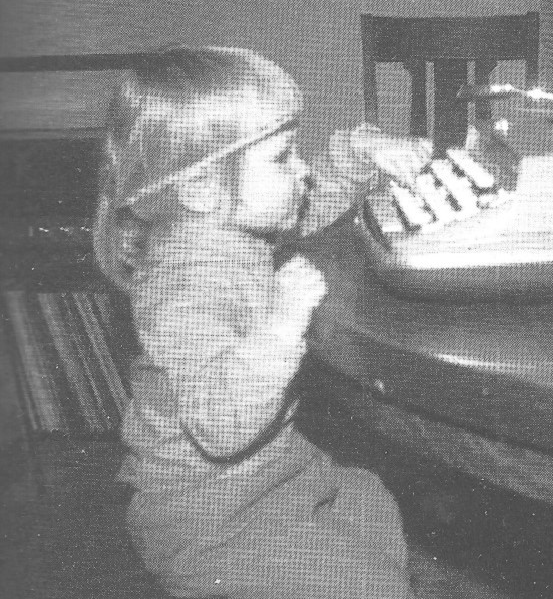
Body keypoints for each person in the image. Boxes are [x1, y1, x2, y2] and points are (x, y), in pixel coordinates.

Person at [92, 46, 432, 598]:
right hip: (208, 514)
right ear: (201, 187)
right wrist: (280, 324)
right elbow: (221, 426)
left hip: (271, 474)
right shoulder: (183, 291)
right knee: (363, 584)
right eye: (282, 157)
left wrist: (359, 156)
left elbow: (305, 206)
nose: (300, 171)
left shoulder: (225, 226)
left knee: (367, 506)